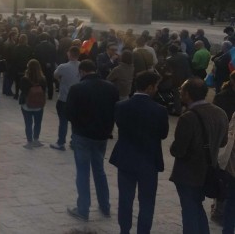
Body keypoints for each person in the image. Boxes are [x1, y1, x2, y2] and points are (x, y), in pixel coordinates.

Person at [109, 71, 169, 234]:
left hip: (126, 159)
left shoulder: (121, 106)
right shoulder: (160, 110)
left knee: (125, 199)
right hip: (148, 161)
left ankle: (124, 230)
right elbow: (163, 134)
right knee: (147, 202)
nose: (157, 89)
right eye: (156, 86)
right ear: (150, 87)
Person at [170, 78, 228, 233]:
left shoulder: (188, 117)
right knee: (196, 207)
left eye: (182, 90)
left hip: (188, 173)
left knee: (189, 210)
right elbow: (223, 142)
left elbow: (178, 150)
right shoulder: (220, 113)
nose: (180, 92)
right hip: (209, 171)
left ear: (187, 94)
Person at [66, 59, 119, 221]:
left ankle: (83, 209)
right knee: (99, 170)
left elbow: (69, 114)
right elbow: (115, 111)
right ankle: (105, 206)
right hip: (101, 136)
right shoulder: (111, 88)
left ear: (82, 71)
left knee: (83, 172)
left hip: (82, 135)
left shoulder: (76, 89)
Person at [51, 46, 81, 151]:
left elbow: (55, 75)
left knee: (63, 121)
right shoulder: (81, 66)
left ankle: (61, 142)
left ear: (69, 54)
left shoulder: (63, 66)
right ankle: (74, 142)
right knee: (75, 122)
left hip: (64, 98)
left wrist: (61, 80)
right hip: (77, 100)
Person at [18, 59, 47, 149]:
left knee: (28, 123)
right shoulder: (42, 79)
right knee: (38, 123)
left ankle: (29, 141)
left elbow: (22, 90)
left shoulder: (24, 79)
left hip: (27, 105)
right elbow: (44, 90)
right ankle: (36, 139)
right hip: (38, 105)